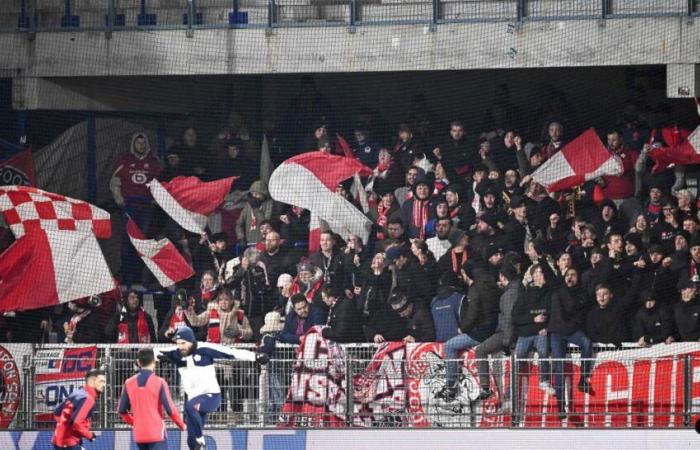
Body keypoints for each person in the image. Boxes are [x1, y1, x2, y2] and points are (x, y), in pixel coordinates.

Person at [155, 326, 269, 450]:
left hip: (211, 397)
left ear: (192, 341)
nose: (180, 346)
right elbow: (153, 352)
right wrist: (158, 358)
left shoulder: (204, 348)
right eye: (178, 343)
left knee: (190, 407)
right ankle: (197, 443)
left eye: (183, 343)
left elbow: (230, 352)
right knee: (190, 442)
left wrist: (255, 357)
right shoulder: (176, 353)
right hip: (194, 400)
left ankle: (201, 441)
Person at [118, 348, 186, 450]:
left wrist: (135, 422)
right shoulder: (160, 382)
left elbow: (121, 410)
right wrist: (182, 425)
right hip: (156, 432)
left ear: (138, 362)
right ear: (155, 362)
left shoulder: (128, 382)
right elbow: (170, 410)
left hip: (139, 434)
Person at [52, 369, 106, 450]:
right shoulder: (88, 399)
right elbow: (77, 423)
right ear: (91, 382)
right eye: (101, 381)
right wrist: (90, 435)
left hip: (58, 440)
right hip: (69, 443)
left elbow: (56, 414)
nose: (104, 384)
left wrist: (65, 427)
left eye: (104, 381)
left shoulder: (76, 393)